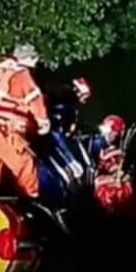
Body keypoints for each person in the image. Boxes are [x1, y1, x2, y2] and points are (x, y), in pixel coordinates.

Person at [0, 43, 51, 199]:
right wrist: (43, 124)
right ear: (29, 59)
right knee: (24, 164)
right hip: (3, 128)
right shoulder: (21, 74)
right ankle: (33, 200)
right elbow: (34, 99)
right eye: (35, 59)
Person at [35, 77, 93, 205]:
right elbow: (56, 134)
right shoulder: (64, 107)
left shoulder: (62, 105)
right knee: (66, 177)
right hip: (49, 146)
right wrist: (69, 160)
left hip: (48, 143)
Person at [85, 115, 136, 216]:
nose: (112, 134)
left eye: (114, 132)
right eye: (110, 131)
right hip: (99, 184)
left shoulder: (117, 147)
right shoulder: (96, 144)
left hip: (113, 183)